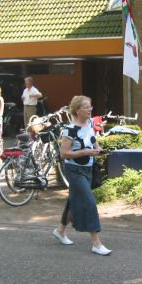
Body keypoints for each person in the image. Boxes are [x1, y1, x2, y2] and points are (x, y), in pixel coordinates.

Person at [54, 95, 111, 256]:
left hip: (88, 169)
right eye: (86, 107)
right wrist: (85, 152)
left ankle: (60, 230)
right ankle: (96, 243)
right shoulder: (70, 130)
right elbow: (63, 154)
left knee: (74, 200)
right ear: (78, 110)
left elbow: (92, 141)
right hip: (74, 171)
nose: (90, 109)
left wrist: (97, 149)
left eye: (90, 106)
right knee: (89, 202)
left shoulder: (90, 123)